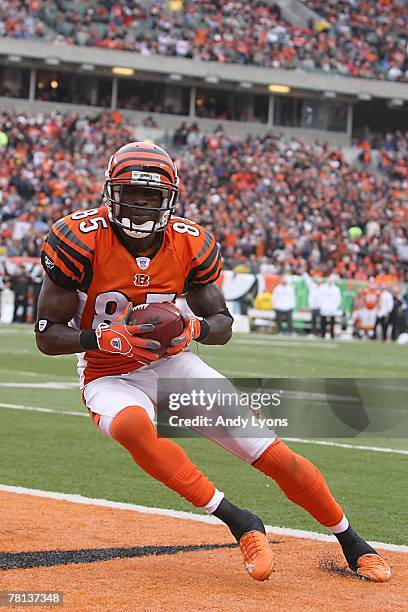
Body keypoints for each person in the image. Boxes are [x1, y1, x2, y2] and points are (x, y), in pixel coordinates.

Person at [35, 142, 390, 583]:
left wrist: (192, 330)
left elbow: (222, 322)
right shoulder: (77, 238)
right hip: (106, 370)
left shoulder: (191, 242)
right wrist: (100, 336)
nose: (141, 204)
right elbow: (47, 335)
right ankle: (241, 521)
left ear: (170, 198)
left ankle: (352, 541)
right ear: (111, 191)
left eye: (152, 195)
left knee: (272, 455)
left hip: (170, 364)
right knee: (132, 428)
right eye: (132, 192)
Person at [319, 275, 341, 339]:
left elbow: (338, 299)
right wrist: (321, 305)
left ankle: (332, 335)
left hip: (332, 308)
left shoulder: (336, 289)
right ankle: (323, 334)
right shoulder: (323, 287)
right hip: (324, 307)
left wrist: (335, 306)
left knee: (332, 322)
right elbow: (320, 297)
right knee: (323, 322)